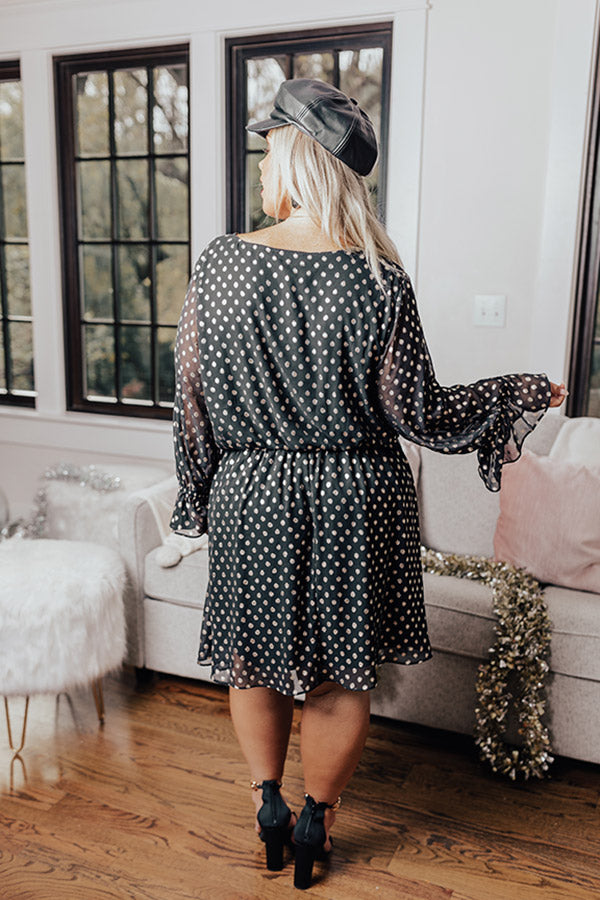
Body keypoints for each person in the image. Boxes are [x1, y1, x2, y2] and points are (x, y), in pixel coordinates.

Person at [169, 77, 567, 890]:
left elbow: (193, 400)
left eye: (269, 149)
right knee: (341, 671)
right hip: (361, 493)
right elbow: (419, 410)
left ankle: (267, 806)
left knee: (255, 658)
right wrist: (515, 391)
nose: (262, 168)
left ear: (293, 156)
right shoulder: (381, 276)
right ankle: (319, 819)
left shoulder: (222, 263)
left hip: (255, 492)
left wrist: (197, 493)